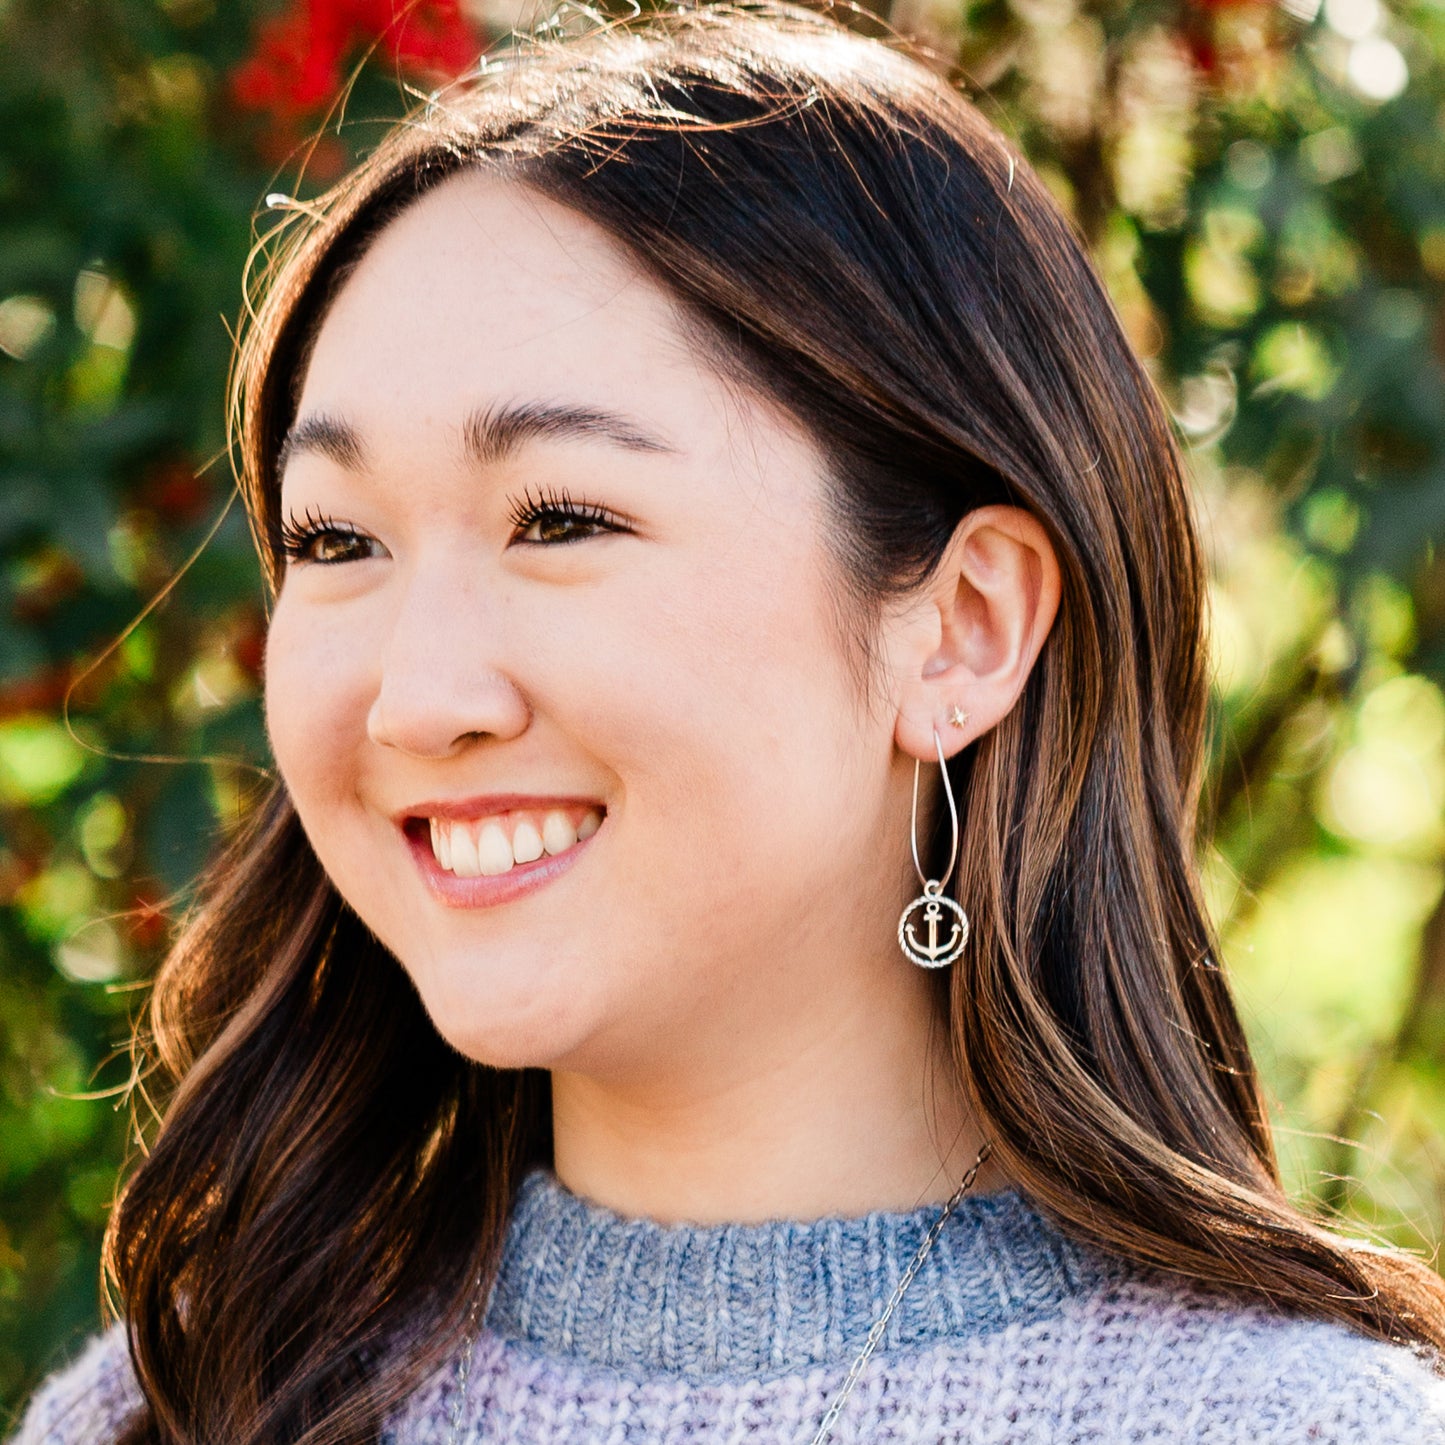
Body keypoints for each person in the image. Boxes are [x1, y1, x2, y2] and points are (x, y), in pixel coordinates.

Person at [11, 4, 1445, 1442]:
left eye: (559, 519)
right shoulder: (175, 1407)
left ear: (964, 625)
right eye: (335, 539)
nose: (418, 698)